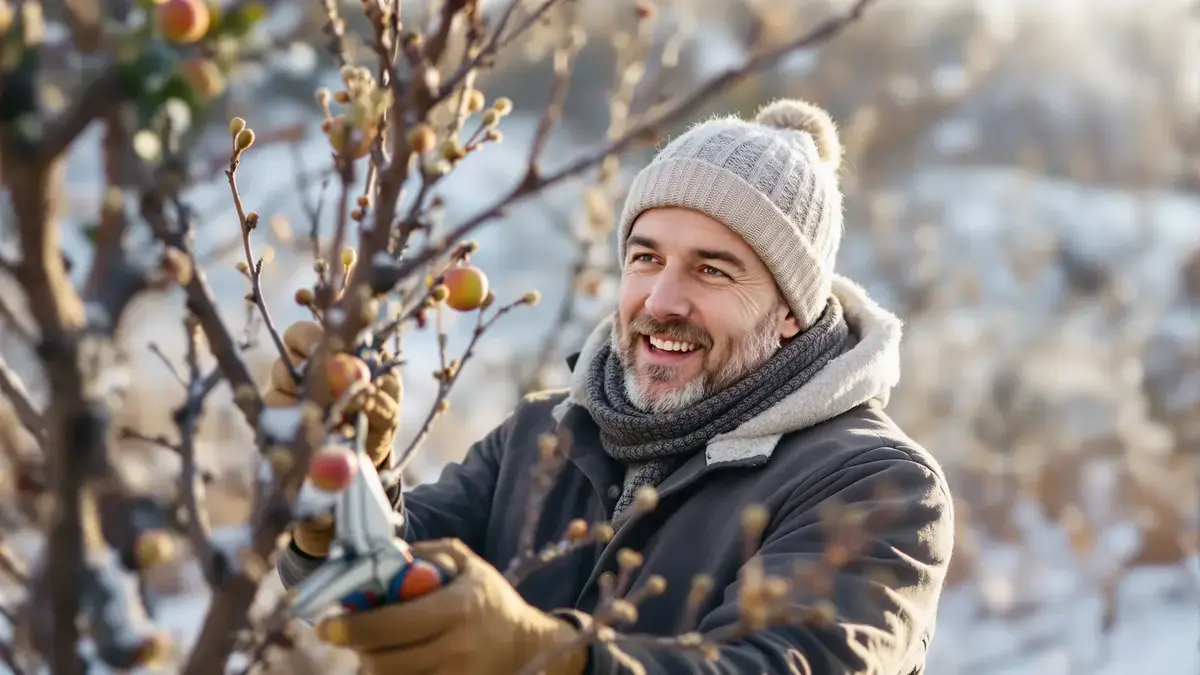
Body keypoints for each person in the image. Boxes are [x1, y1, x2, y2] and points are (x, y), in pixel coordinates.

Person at [265, 97, 955, 675]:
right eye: (645, 257)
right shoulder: (543, 436)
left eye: (712, 270)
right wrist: (345, 485)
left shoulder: (876, 486)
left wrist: (556, 658)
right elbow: (395, 597)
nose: (661, 300)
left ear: (789, 314)